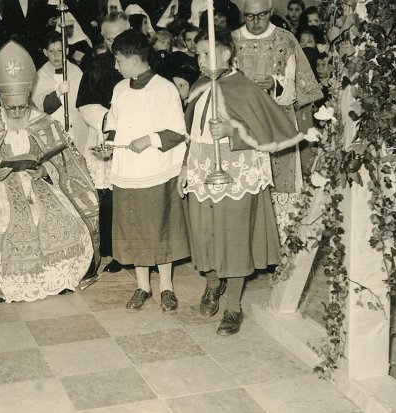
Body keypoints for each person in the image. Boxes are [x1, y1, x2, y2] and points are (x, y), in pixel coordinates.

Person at [180, 30, 312, 334]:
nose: (201, 60)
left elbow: (267, 131)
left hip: (236, 172)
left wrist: (231, 129)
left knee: (234, 238)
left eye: (207, 54)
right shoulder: (200, 87)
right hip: (202, 171)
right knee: (206, 233)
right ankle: (214, 285)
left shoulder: (244, 88)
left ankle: (234, 307)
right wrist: (184, 170)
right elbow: (192, 136)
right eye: (198, 54)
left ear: (226, 55)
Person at [0, 41, 100, 304]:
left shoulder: (44, 123)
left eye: (21, 108)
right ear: (1, 102)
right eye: (11, 108)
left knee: (58, 217)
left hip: (40, 183)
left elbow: (66, 162)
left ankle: (58, 278)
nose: (17, 113)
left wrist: (45, 171)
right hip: (2, 189)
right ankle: (20, 284)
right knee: (12, 222)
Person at [106, 29, 189, 312]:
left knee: (158, 228)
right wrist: (106, 143)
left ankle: (166, 287)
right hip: (127, 170)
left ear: (132, 58)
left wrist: (150, 139)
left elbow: (178, 131)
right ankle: (143, 286)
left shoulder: (164, 88)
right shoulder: (119, 89)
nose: (115, 66)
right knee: (134, 228)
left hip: (155, 169)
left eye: (118, 60)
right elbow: (113, 123)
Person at [232, 0, 322, 243]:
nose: (255, 21)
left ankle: (281, 246)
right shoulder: (231, 40)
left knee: (280, 183)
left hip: (279, 121)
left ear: (270, 12)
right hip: (243, 122)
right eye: (249, 16)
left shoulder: (285, 39)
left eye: (261, 15)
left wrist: (276, 84)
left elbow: (297, 87)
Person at [76, 11, 130, 274]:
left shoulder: (147, 59)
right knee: (108, 196)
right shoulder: (97, 65)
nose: (115, 44)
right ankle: (114, 251)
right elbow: (84, 104)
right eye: (109, 40)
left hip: (138, 138)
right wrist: (109, 120)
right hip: (104, 135)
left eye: (120, 37)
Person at [31, 31, 88, 154]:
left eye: (60, 50)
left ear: (66, 51)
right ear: (45, 52)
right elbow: (39, 107)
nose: (56, 55)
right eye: (51, 51)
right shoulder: (40, 75)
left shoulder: (76, 72)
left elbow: (84, 101)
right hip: (53, 128)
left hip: (76, 126)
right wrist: (57, 94)